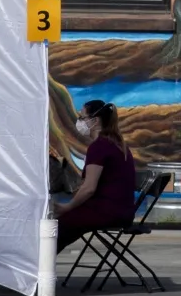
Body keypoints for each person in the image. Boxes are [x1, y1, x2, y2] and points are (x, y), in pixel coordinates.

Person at [54, 100, 137, 251]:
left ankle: (40, 262)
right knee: (67, 224)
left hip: (108, 212)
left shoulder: (99, 147)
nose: (79, 122)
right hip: (123, 211)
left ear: (95, 120)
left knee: (57, 226)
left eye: (82, 117)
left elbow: (89, 188)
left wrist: (68, 206)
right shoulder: (118, 144)